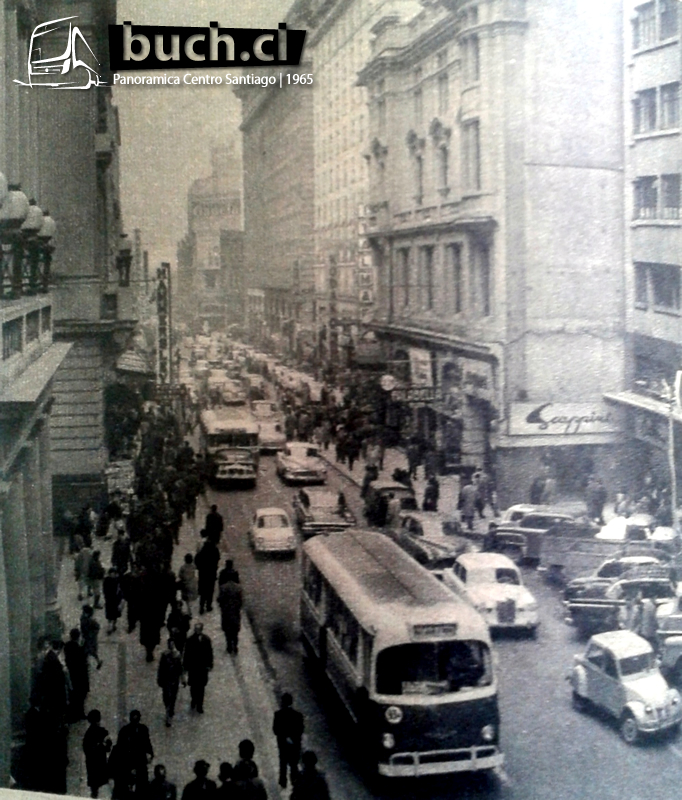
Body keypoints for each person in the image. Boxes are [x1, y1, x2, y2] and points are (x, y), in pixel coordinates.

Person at [115, 710, 154, 793]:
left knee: (142, 784)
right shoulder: (125, 731)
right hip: (129, 762)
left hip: (140, 761)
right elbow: (120, 748)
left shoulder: (143, 729)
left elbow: (147, 742)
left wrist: (150, 753)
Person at [273, 692, 304, 789]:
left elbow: (275, 729)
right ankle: (295, 782)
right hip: (295, 745)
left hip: (282, 744)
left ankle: (283, 782)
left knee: (283, 764)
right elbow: (300, 730)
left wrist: (284, 737)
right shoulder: (298, 715)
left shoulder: (278, 715)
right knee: (294, 765)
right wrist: (292, 738)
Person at [183, 622, 213, 713]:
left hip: (202, 668)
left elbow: (209, 653)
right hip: (193, 667)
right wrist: (185, 666)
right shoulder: (190, 640)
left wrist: (209, 664)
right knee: (193, 686)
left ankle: (200, 704)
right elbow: (186, 653)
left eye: (199, 629)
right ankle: (194, 699)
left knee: (201, 687)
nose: (197, 631)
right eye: (196, 629)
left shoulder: (206, 640)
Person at [82, 709, 111, 798]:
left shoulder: (89, 733)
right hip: (98, 761)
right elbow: (108, 746)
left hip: (93, 762)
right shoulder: (101, 732)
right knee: (98, 785)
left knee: (95, 786)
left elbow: (86, 748)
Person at [64, 627, 90, 721]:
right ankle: (79, 713)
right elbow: (82, 659)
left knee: (74, 695)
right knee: (80, 695)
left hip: (72, 674)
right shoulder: (78, 648)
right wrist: (83, 647)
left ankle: (76, 713)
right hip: (80, 675)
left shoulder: (67, 646)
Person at [157, 638, 184, 727]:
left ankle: (169, 712)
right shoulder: (165, 655)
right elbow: (161, 668)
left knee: (173, 697)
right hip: (166, 679)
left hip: (174, 679)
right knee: (166, 697)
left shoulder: (177, 655)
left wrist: (182, 679)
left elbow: (180, 668)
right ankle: (168, 710)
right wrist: (160, 679)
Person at [218, 572, 243, 654]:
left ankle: (229, 645)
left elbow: (220, 599)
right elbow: (241, 601)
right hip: (235, 612)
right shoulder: (238, 588)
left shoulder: (223, 587)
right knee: (235, 631)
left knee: (227, 630)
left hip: (226, 612)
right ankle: (235, 646)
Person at [195, 536, 220, 614]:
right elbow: (218, 558)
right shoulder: (215, 550)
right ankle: (208, 606)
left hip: (203, 574)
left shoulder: (202, 551)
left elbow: (196, 560)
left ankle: (201, 607)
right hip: (211, 573)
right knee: (210, 591)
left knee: (203, 591)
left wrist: (199, 568)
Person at [81, 604, 103, 670]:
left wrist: (92, 634)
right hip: (86, 637)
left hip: (90, 639)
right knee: (87, 651)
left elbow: (97, 627)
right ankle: (89, 662)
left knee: (91, 651)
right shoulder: (83, 618)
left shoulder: (91, 621)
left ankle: (98, 662)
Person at [104, 567, 123, 634]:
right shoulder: (109, 580)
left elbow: (120, 591)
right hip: (110, 600)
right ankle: (110, 626)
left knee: (114, 615)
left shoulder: (117, 581)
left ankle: (112, 625)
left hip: (115, 601)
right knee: (110, 615)